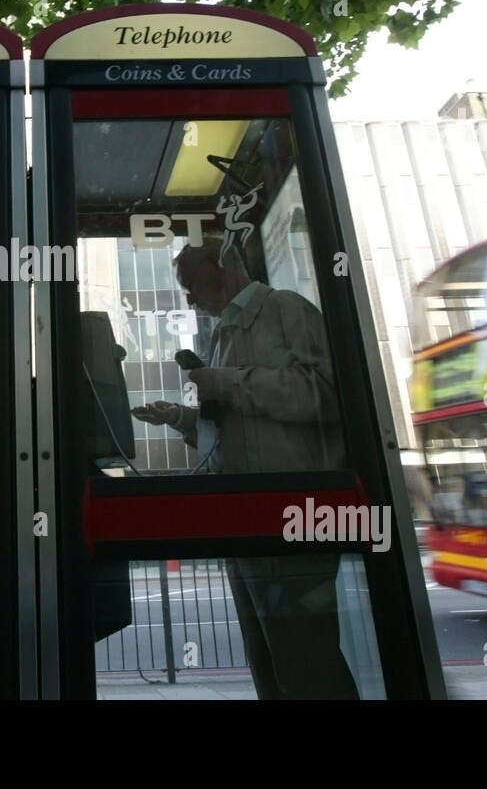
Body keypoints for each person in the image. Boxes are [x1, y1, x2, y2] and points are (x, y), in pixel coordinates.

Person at [132, 236, 359, 699]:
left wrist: (229, 383)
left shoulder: (284, 310)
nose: (190, 299)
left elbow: (329, 395)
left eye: (191, 284)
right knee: (271, 660)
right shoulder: (222, 336)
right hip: (246, 525)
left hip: (292, 519)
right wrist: (178, 417)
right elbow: (230, 430)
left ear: (223, 263)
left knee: (308, 663)